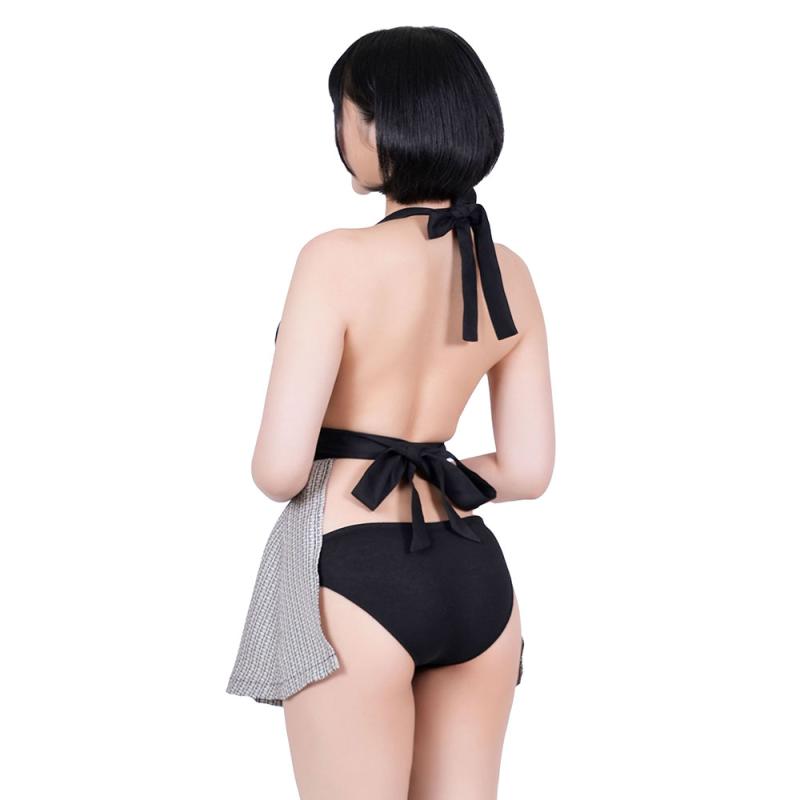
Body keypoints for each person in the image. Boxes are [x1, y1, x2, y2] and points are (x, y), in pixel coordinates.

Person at [226, 25, 555, 799]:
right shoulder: (507, 271)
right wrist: (433, 469)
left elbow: (278, 471)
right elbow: (528, 470)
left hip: (353, 576)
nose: (340, 135)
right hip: (474, 579)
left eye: (343, 113)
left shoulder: (333, 258)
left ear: (380, 126)